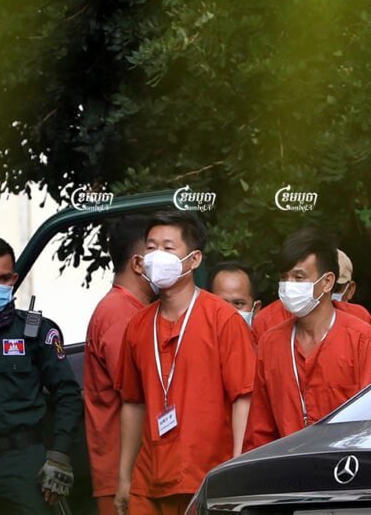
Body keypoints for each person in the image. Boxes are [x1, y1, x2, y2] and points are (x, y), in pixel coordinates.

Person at [114, 211, 255, 515]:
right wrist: (124, 478)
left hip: (207, 477)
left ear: (194, 260)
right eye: (150, 248)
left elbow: (243, 398)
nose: (157, 256)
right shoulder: (137, 325)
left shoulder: (223, 319)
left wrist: (236, 470)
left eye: (168, 247)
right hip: (148, 480)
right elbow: (133, 404)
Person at [0, 236, 82, 514]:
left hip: (24, 460)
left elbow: (68, 395)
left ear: (14, 279)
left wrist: (58, 455)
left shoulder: (36, 331)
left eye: (3, 278)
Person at [244, 228, 371, 450]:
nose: (288, 285)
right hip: (289, 471)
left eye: (299, 277)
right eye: (284, 278)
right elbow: (260, 428)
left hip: (348, 469)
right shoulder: (270, 343)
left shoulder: (362, 339)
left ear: (327, 282)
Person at [84, 216, 158, 515]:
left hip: (135, 473)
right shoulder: (120, 314)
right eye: (158, 250)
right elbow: (142, 392)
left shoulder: (132, 309)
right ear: (139, 264)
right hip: (125, 478)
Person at [252, 250, 371, 344]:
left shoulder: (360, 317)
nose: (328, 294)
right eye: (286, 278)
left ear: (350, 290)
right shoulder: (265, 320)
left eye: (336, 288)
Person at [208, 261, 261, 328]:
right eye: (221, 304)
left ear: (256, 309)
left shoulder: (269, 338)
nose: (229, 313)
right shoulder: (194, 337)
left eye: (238, 303)